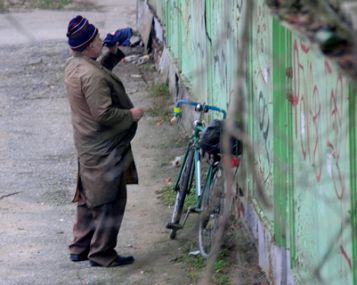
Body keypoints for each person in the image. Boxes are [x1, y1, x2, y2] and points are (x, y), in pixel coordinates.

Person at [64, 15, 143, 267]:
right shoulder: (91, 75)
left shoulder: (74, 65)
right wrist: (131, 115)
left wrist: (111, 54)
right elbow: (103, 113)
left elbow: (96, 75)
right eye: (97, 38)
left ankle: (80, 246)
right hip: (103, 147)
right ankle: (102, 254)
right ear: (88, 45)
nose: (101, 39)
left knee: (88, 197)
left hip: (87, 145)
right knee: (110, 200)